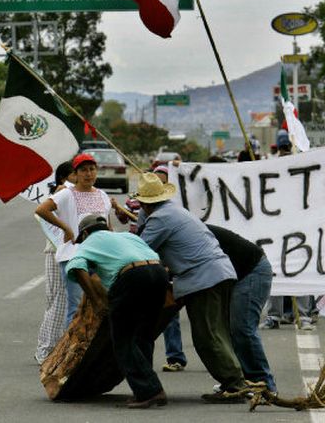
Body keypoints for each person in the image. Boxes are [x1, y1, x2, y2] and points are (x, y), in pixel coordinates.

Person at [135, 172, 247, 402]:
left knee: (208, 336)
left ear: (145, 204)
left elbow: (140, 249)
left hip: (204, 278)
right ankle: (234, 381)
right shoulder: (175, 211)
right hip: (218, 272)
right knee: (217, 332)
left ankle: (234, 385)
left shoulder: (159, 219)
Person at [66, 213, 169, 409]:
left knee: (123, 340)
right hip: (158, 274)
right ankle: (145, 389)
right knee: (143, 336)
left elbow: (76, 266)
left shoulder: (90, 241)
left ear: (85, 233)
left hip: (132, 277)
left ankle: (150, 391)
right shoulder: (128, 236)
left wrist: (96, 301)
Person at [35, 153, 112, 326]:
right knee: (76, 307)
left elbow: (108, 226)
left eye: (92, 169)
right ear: (75, 174)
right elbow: (42, 210)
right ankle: (71, 351)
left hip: (99, 257)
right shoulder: (67, 194)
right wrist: (66, 228)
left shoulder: (102, 195)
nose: (88, 174)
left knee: (102, 304)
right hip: (74, 257)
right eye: (83, 170)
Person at [208, 225, 277, 394]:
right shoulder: (181, 226)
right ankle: (244, 381)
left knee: (243, 328)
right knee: (233, 330)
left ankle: (263, 384)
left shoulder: (182, 230)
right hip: (240, 273)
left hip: (252, 272)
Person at [260, 133, 313, 331]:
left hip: (297, 230)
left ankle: (298, 316)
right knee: (279, 271)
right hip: (278, 231)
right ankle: (280, 315)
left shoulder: (299, 165)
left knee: (297, 269)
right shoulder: (271, 167)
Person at [34, 161, 77, 365]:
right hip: (56, 252)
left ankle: (50, 345)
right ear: (64, 178)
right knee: (58, 301)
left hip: (63, 252)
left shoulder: (72, 194)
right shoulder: (62, 193)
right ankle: (46, 348)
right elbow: (43, 211)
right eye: (75, 174)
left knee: (57, 302)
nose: (80, 177)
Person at [152, 165, 188, 373]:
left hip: (182, 265)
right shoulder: (147, 211)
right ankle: (175, 356)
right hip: (159, 267)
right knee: (169, 312)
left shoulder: (177, 207)